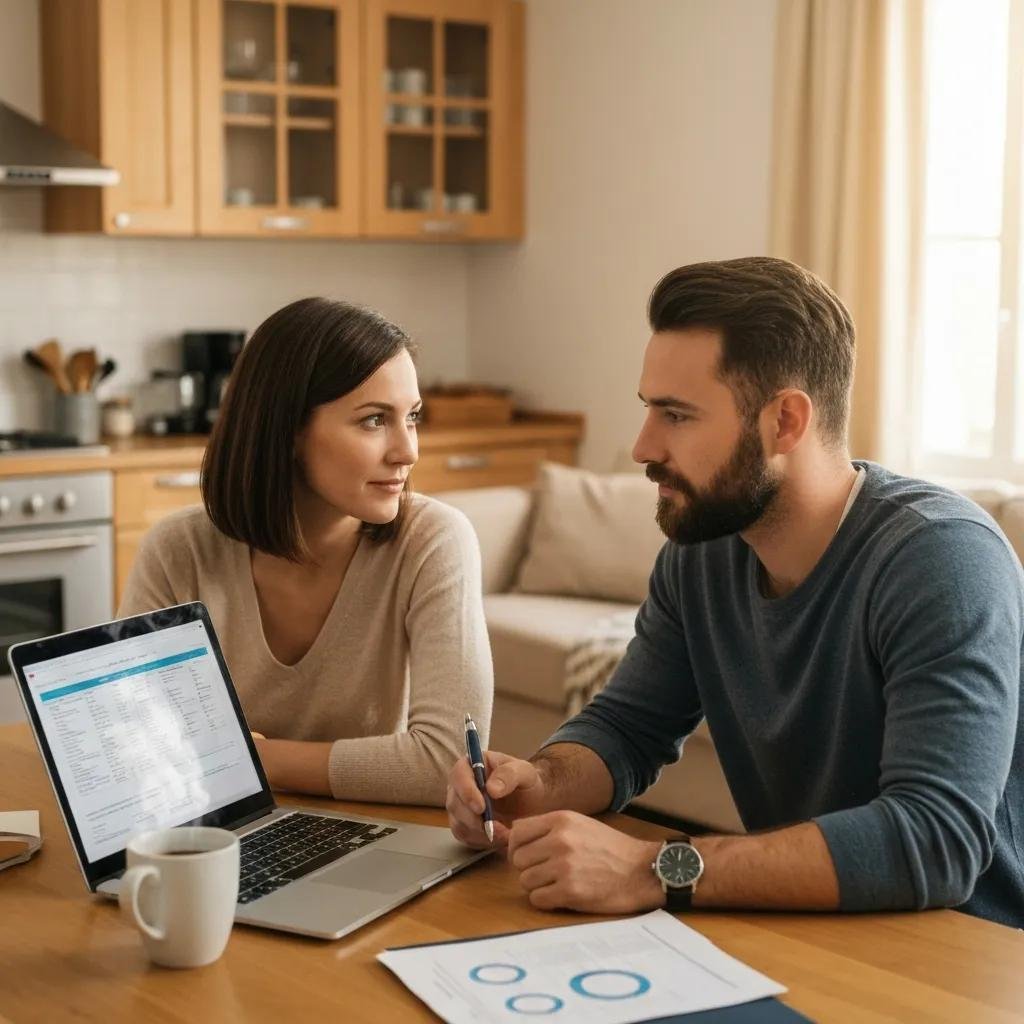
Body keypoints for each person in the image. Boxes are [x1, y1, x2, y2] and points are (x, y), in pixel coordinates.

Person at [445, 257, 1024, 928]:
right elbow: (627, 730)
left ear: (784, 422)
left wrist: (651, 867)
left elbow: (936, 841)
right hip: (805, 927)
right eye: (648, 410)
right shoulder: (702, 555)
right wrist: (538, 786)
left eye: (676, 415)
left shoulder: (941, 559)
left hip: (967, 953)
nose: (640, 446)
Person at [119, 297, 493, 805]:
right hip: (219, 832)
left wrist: (256, 758)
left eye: (413, 417)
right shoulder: (180, 550)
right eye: (373, 420)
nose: (408, 450)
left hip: (376, 833)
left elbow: (446, 766)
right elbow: (134, 746)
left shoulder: (433, 541)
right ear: (289, 429)